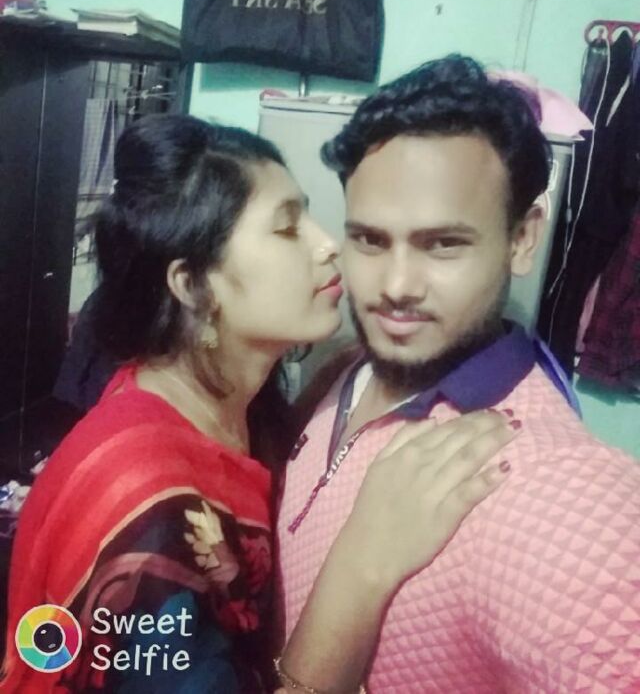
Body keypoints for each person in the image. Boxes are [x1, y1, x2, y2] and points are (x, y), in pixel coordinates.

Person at [0, 114, 518, 693]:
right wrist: (363, 563)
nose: (328, 244)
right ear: (193, 285)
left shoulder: (227, 404)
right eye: (287, 227)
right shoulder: (150, 511)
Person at [277, 55, 640, 693]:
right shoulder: (347, 368)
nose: (395, 286)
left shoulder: (569, 497)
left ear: (522, 238)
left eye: (443, 243)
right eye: (370, 240)